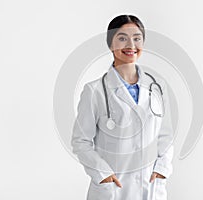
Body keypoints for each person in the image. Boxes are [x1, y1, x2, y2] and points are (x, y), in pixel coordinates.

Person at [71, 14, 174, 200]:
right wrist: (103, 175)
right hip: (114, 189)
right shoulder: (94, 91)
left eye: (137, 38)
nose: (131, 45)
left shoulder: (157, 87)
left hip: (151, 187)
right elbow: (80, 142)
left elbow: (165, 136)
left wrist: (162, 169)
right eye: (122, 38)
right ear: (111, 44)